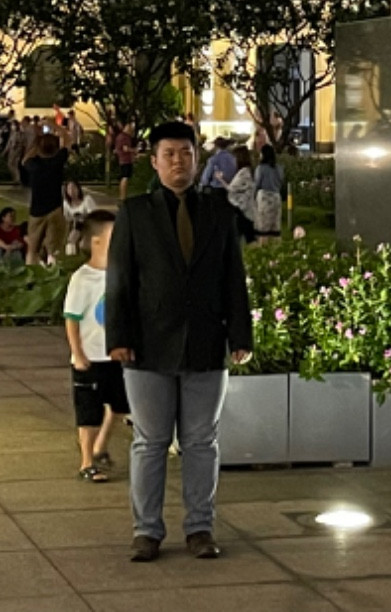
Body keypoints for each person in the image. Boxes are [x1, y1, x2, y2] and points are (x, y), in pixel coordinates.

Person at [106, 121, 253, 563]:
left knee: (201, 441)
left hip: (206, 343)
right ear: (154, 161)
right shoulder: (135, 213)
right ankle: (146, 531)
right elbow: (120, 282)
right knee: (150, 442)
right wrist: (119, 337)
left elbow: (233, 279)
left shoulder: (219, 210)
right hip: (147, 347)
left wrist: (240, 334)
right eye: (168, 154)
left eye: (185, 153)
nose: (178, 161)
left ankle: (199, 528)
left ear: (197, 158)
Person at [65, 209, 129, 483]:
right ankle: (87, 461)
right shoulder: (83, 278)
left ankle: (101, 447)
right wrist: (78, 353)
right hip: (90, 356)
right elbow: (72, 318)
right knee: (88, 411)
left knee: (119, 405)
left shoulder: (120, 275)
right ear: (96, 242)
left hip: (115, 354)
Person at [22, 134, 71, 266]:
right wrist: (54, 125)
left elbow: (25, 159)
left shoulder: (33, 166)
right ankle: (53, 273)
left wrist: (35, 144)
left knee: (32, 249)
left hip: (36, 211)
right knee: (53, 249)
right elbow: (67, 140)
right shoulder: (57, 162)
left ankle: (30, 272)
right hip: (55, 208)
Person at [251, 146, 285, 243]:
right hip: (276, 196)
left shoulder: (260, 168)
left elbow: (257, 183)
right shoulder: (279, 168)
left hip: (264, 197)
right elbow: (281, 182)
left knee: (263, 228)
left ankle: (263, 249)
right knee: (275, 227)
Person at [225, 147, 258, 242]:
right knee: (248, 236)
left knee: (244, 236)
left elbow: (232, 188)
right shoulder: (247, 171)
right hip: (245, 209)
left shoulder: (244, 173)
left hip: (243, 209)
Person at [62, 180, 95, 255]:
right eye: (69, 189)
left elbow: (93, 216)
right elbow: (67, 219)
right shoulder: (66, 204)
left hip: (88, 226)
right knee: (72, 240)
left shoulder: (87, 200)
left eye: (74, 188)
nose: (72, 191)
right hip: (75, 226)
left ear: (78, 189)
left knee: (84, 245)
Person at [110, 123, 137, 201]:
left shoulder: (121, 137)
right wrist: (134, 150)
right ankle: (123, 196)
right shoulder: (124, 137)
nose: (132, 131)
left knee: (125, 177)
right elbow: (125, 149)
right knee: (125, 177)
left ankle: (123, 196)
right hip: (125, 159)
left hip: (123, 159)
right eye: (131, 130)